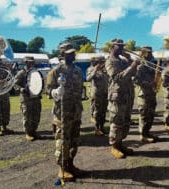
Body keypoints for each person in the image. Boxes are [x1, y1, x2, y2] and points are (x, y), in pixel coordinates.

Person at [46, 43, 84, 181]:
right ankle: (62, 169)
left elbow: (80, 89)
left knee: (74, 140)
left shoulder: (78, 70)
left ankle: (70, 165)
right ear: (62, 55)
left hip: (76, 110)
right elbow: (47, 91)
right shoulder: (55, 71)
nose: (72, 55)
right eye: (69, 53)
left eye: (73, 53)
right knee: (63, 140)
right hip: (62, 112)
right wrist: (55, 92)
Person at [105, 38, 139, 159]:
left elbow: (133, 74)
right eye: (119, 46)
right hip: (117, 97)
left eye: (122, 46)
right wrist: (132, 66)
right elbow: (117, 77)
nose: (122, 48)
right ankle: (114, 146)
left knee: (125, 122)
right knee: (116, 123)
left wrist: (130, 60)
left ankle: (120, 144)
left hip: (127, 95)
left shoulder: (122, 60)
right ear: (112, 47)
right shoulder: (110, 61)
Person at [14, 56, 42, 141]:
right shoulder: (21, 73)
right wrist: (21, 89)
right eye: (29, 62)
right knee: (27, 116)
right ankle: (28, 133)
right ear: (25, 62)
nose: (31, 63)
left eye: (32, 62)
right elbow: (15, 84)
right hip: (26, 99)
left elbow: (39, 83)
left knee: (36, 115)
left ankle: (34, 131)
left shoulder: (36, 72)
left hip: (36, 98)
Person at [133, 46, 157, 143]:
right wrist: (148, 84)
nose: (151, 54)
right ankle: (143, 135)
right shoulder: (140, 66)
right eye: (149, 53)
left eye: (151, 52)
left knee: (150, 114)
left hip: (151, 92)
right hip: (143, 94)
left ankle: (147, 132)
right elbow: (135, 80)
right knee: (144, 115)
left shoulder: (151, 65)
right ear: (143, 54)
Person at [86, 56, 109, 136]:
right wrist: (95, 70)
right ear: (98, 63)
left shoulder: (104, 70)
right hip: (97, 94)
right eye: (102, 62)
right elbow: (88, 78)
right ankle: (97, 129)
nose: (104, 63)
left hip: (105, 93)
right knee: (97, 112)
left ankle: (102, 127)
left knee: (103, 111)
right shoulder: (91, 69)